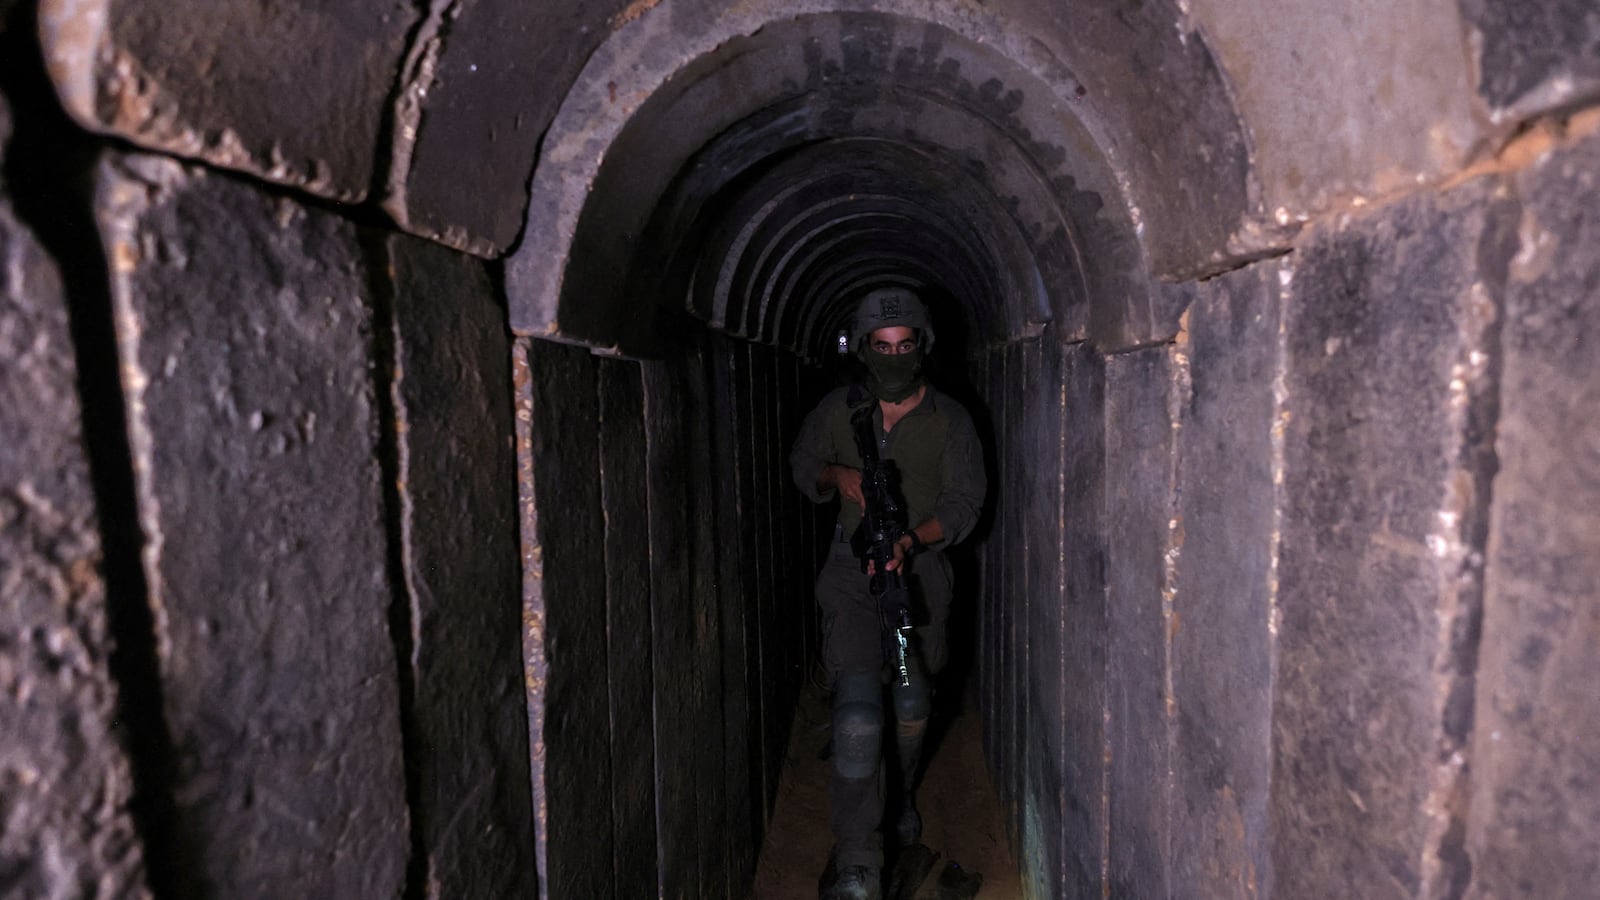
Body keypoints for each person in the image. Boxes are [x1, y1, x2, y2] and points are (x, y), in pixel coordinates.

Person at [789, 287, 987, 900]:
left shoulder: (951, 421)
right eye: (881, 346)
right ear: (866, 349)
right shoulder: (836, 411)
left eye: (904, 346)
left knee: (910, 704)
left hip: (919, 578)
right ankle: (857, 859)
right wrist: (836, 475)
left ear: (921, 346)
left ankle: (900, 803)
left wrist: (912, 539)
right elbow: (802, 466)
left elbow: (964, 504)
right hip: (852, 575)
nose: (893, 357)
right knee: (855, 717)